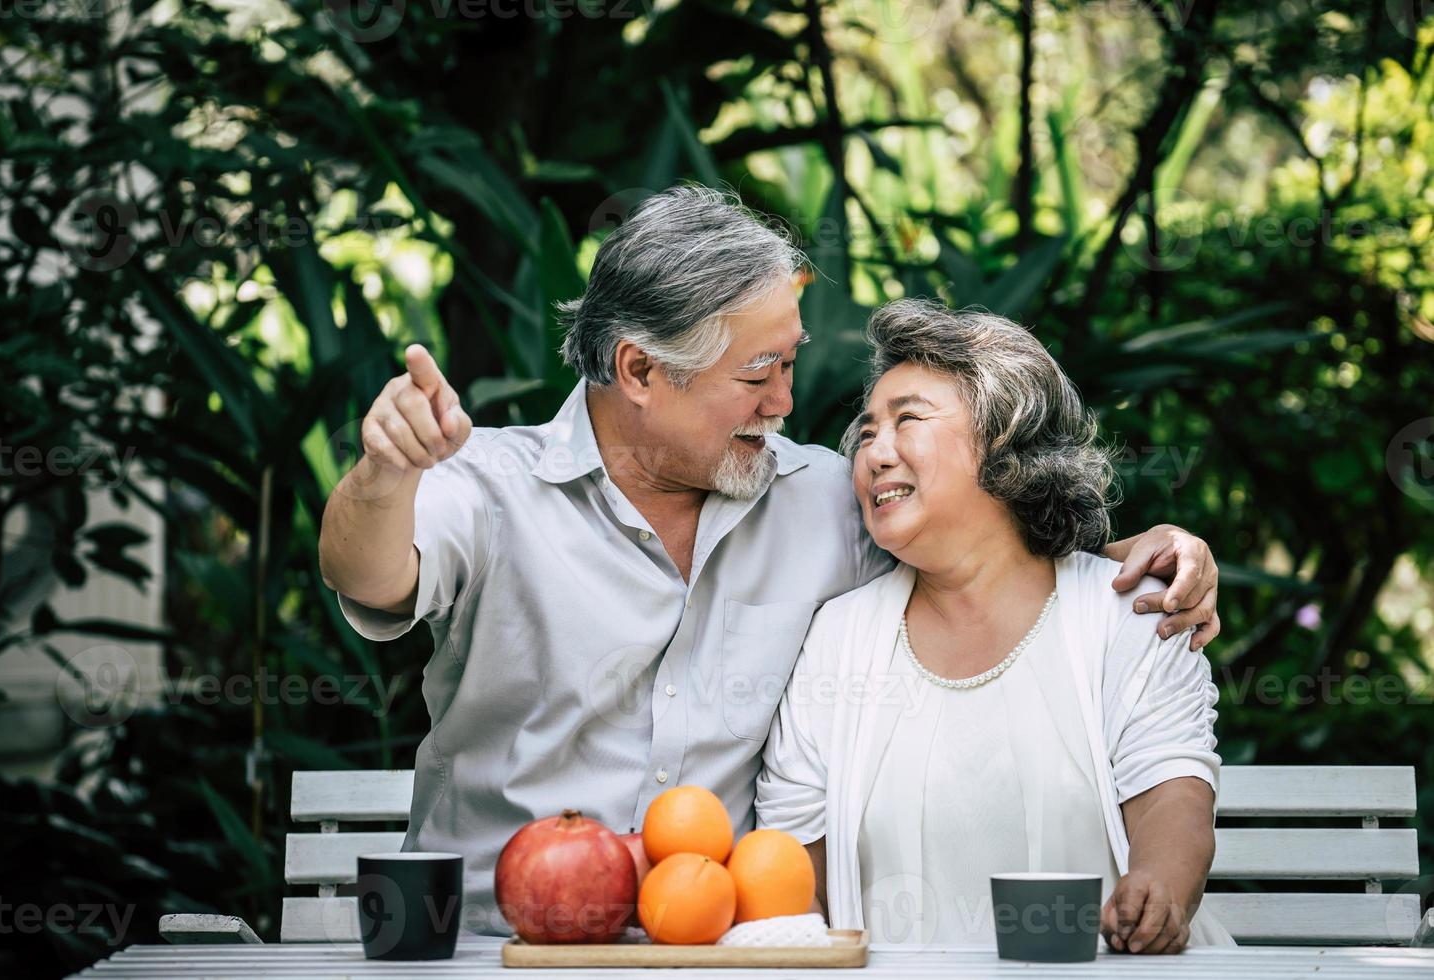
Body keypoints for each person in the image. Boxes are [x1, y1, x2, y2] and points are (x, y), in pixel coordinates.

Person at [317, 186, 1224, 934]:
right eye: (757, 375)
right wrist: (384, 471)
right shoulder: (488, 484)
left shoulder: (822, 496)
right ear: (639, 371)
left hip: (715, 949)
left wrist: (1134, 551)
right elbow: (367, 572)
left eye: (789, 364)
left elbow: (982, 530)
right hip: (490, 946)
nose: (787, 402)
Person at [756, 299, 1232, 953]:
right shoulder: (836, 639)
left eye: (907, 421)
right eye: (866, 433)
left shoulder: (1131, 615)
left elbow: (1172, 793)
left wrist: (1158, 887)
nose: (874, 453)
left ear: (1001, 441)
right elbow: (791, 861)